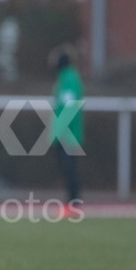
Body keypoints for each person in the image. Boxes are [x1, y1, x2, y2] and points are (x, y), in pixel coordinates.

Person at [49, 45, 84, 217]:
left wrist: (62, 131)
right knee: (67, 169)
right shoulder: (65, 78)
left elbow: (68, 107)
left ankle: (73, 204)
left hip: (68, 134)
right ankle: (71, 203)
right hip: (65, 133)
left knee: (69, 169)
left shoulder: (69, 78)